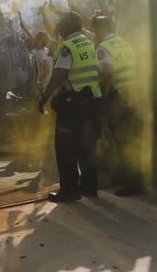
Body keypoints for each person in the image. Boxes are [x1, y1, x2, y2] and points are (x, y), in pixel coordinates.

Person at [36, 10, 114, 202]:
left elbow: (59, 74)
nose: (58, 27)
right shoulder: (88, 42)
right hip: (90, 103)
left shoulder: (68, 47)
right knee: (87, 148)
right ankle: (89, 187)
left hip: (73, 105)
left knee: (65, 150)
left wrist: (45, 96)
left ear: (68, 26)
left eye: (61, 23)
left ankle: (69, 190)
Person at [94, 15, 143, 196]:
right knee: (130, 140)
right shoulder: (124, 43)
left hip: (117, 100)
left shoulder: (103, 48)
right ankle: (132, 178)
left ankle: (132, 184)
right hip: (132, 96)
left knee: (122, 142)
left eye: (95, 31)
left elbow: (107, 75)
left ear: (100, 29)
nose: (95, 34)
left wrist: (103, 99)